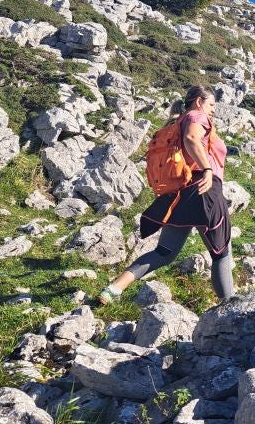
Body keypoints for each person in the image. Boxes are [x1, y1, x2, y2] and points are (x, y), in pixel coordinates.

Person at [98, 85, 235, 304]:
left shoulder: (179, 120)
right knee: (222, 252)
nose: (213, 111)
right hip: (204, 189)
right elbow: (191, 139)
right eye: (211, 105)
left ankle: (112, 290)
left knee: (164, 253)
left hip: (180, 195)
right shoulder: (196, 115)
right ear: (199, 101)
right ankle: (230, 307)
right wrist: (207, 169)